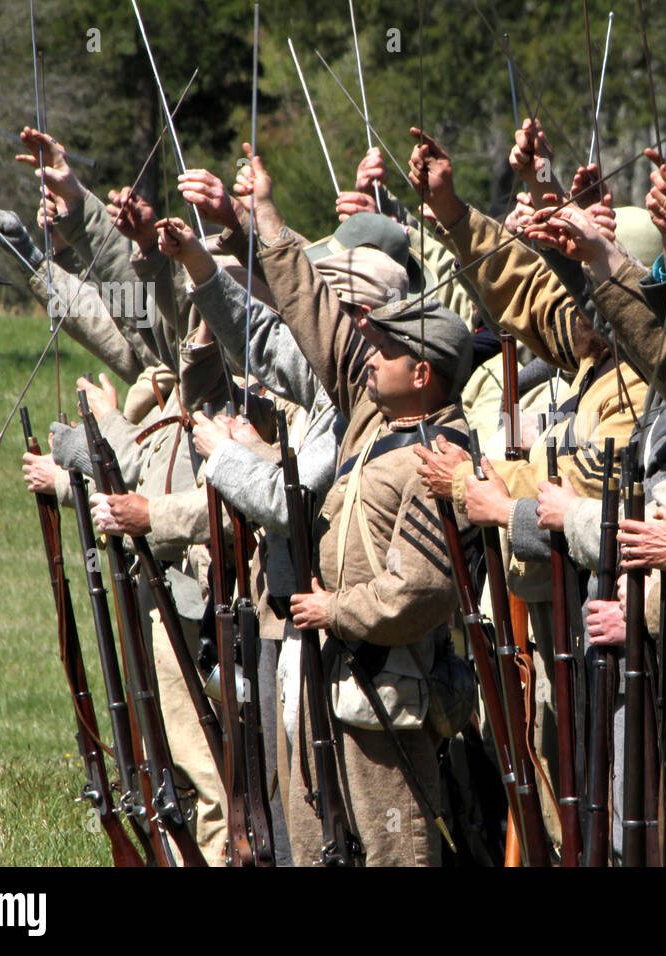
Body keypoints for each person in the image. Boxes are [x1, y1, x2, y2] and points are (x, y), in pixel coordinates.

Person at [243, 146, 475, 866]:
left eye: (385, 349)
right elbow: (315, 314)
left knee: (391, 851)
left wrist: (331, 612)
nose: (366, 355)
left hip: (388, 700)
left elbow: (424, 591)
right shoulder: (379, 408)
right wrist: (266, 220)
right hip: (332, 680)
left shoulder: (445, 458)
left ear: (424, 372)